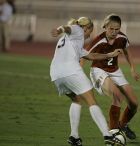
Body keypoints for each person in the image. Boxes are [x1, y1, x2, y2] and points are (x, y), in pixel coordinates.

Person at [50, 17, 124, 146]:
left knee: (77, 99)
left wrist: (109, 55)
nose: (90, 35)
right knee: (91, 101)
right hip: (70, 71)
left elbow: (91, 56)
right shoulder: (78, 30)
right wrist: (59, 29)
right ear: (86, 28)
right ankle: (108, 136)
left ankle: (74, 137)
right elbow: (68, 28)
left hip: (56, 74)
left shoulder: (73, 41)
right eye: (90, 31)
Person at [85, 14, 140, 140]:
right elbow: (85, 55)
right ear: (105, 27)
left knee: (134, 103)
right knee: (117, 95)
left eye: (117, 29)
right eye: (111, 29)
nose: (115, 32)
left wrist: (132, 68)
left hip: (115, 71)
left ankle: (122, 125)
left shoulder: (122, 38)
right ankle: (113, 132)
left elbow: (127, 52)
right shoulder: (98, 40)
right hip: (98, 71)